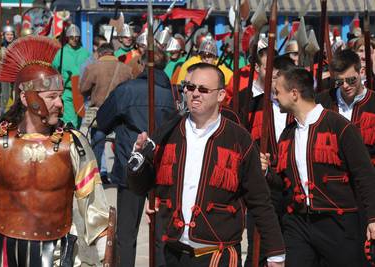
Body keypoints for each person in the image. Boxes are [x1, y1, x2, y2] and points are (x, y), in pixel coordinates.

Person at [0, 35, 110, 266]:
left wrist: (105, 252)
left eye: (60, 97)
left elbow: (95, 206)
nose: (60, 104)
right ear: (26, 97)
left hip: (56, 254)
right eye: (52, 97)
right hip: (2, 253)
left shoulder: (74, 144)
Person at [128, 63, 285, 266]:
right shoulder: (168, 132)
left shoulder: (239, 139)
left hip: (217, 255)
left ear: (220, 95)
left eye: (203, 89)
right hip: (172, 253)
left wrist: (275, 253)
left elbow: (259, 199)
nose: (195, 94)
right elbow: (140, 187)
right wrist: (136, 161)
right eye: (190, 87)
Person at [269, 67, 375, 267]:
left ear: (294, 94)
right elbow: (282, 182)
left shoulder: (339, 126)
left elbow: (365, 175)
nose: (274, 97)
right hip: (298, 223)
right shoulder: (288, 133)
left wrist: (373, 218)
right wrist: (266, 171)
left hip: (338, 222)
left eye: (277, 92)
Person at [95, 47, 176, 266]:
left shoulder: (127, 90)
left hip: (133, 167)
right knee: (160, 235)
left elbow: (103, 120)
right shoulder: (172, 93)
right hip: (160, 168)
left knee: (127, 234)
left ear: (141, 64)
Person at [240, 54, 296, 267]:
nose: (274, 84)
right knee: (259, 249)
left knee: (292, 248)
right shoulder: (250, 103)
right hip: (262, 186)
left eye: (278, 79)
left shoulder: (298, 104)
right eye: (271, 78)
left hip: (293, 186)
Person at [80, 43, 132, 180]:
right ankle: (120, 175)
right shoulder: (126, 69)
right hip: (120, 114)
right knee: (121, 146)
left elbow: (83, 89)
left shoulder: (92, 68)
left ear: (100, 54)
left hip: (100, 114)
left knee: (97, 146)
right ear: (112, 53)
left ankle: (95, 178)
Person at [52, 24, 90, 129]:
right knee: (69, 120)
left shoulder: (85, 53)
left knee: (78, 120)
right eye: (72, 37)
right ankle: (70, 141)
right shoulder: (61, 53)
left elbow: (91, 71)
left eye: (76, 37)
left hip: (81, 91)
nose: (74, 39)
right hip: (67, 91)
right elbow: (54, 70)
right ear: (68, 37)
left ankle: (73, 141)